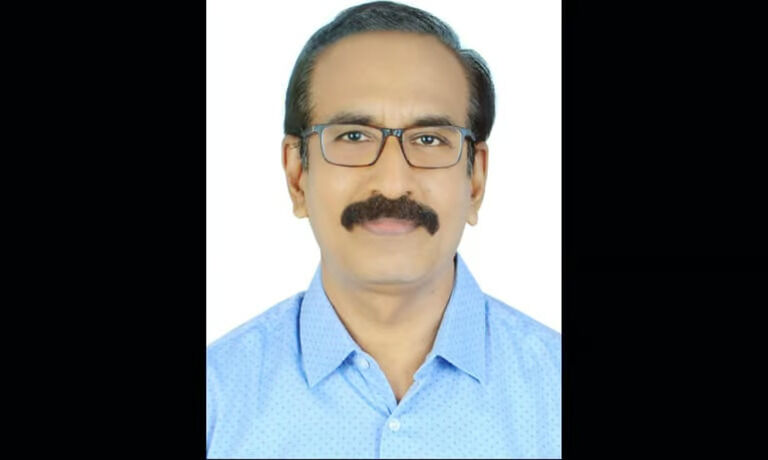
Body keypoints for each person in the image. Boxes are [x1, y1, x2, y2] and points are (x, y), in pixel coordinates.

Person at [206, 1, 560, 458]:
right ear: (297, 175)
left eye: (429, 139)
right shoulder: (218, 398)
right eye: (353, 136)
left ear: (475, 179)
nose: (392, 182)